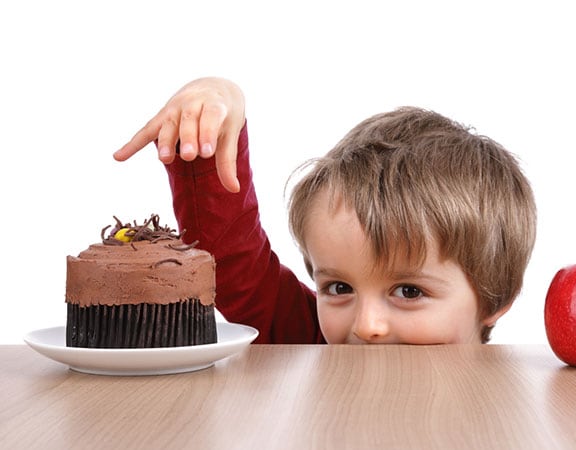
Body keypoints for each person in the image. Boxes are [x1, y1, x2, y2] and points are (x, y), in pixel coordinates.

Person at [114, 77, 537, 344]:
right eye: (339, 289)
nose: (366, 326)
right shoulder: (309, 337)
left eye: (409, 291)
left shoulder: (515, 410)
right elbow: (235, 265)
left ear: (494, 299)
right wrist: (208, 134)